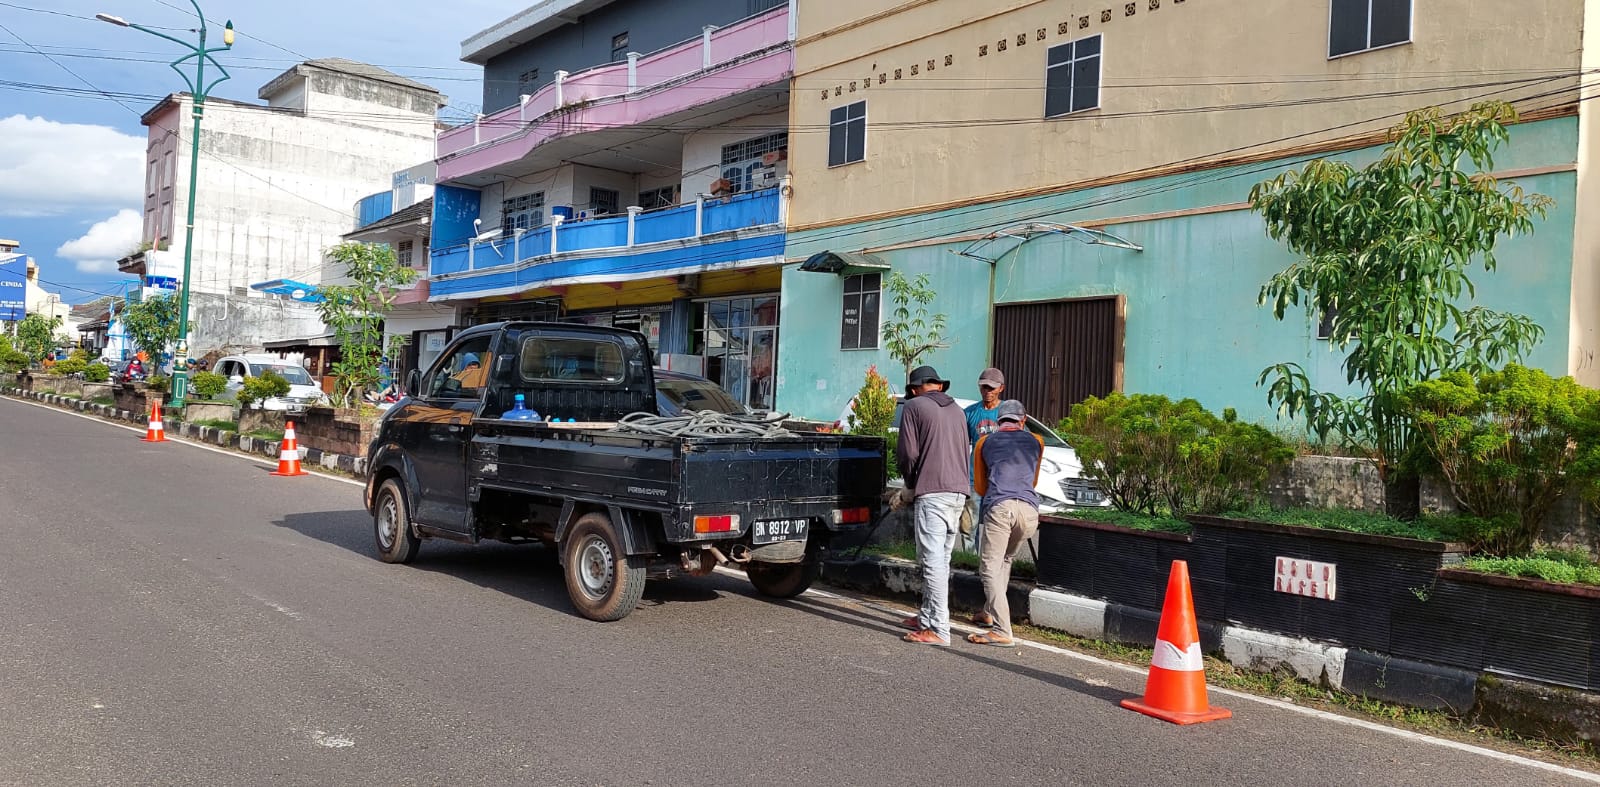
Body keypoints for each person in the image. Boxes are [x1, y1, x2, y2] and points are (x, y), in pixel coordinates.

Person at [895, 365, 972, 646]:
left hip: (933, 491)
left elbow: (908, 453)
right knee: (942, 560)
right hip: (958, 492)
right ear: (939, 386)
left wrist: (910, 484)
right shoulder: (958, 411)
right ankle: (927, 616)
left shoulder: (914, 406)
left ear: (915, 389)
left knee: (931, 562)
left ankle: (939, 628)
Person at [967, 399, 1044, 647]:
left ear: (998, 421)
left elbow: (980, 485)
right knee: (1005, 560)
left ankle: (1002, 630)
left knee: (989, 567)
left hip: (1001, 508)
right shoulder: (1037, 441)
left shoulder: (984, 442)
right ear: (1023, 419)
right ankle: (989, 612)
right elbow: (1032, 480)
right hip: (1030, 510)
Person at [962, 367, 1007, 552]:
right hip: (974, 478)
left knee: (995, 526)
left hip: (999, 480)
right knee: (968, 526)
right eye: (984, 387)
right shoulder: (970, 413)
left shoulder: (1007, 413)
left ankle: (991, 562)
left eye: (991, 388)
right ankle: (969, 561)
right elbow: (961, 444)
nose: (987, 391)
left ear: (1001, 388)